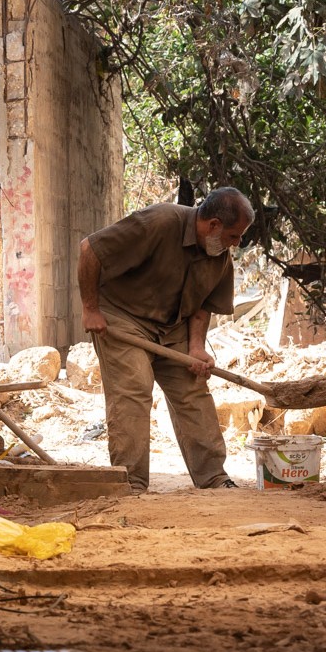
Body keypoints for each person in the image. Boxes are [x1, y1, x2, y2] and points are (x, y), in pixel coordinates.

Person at [77, 187, 254, 491]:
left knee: (193, 390)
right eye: (234, 236)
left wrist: (196, 348)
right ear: (213, 225)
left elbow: (202, 306)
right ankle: (130, 484)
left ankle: (213, 477)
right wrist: (91, 309)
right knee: (133, 388)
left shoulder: (219, 258)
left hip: (172, 328)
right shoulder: (159, 222)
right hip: (123, 317)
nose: (236, 245)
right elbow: (89, 250)